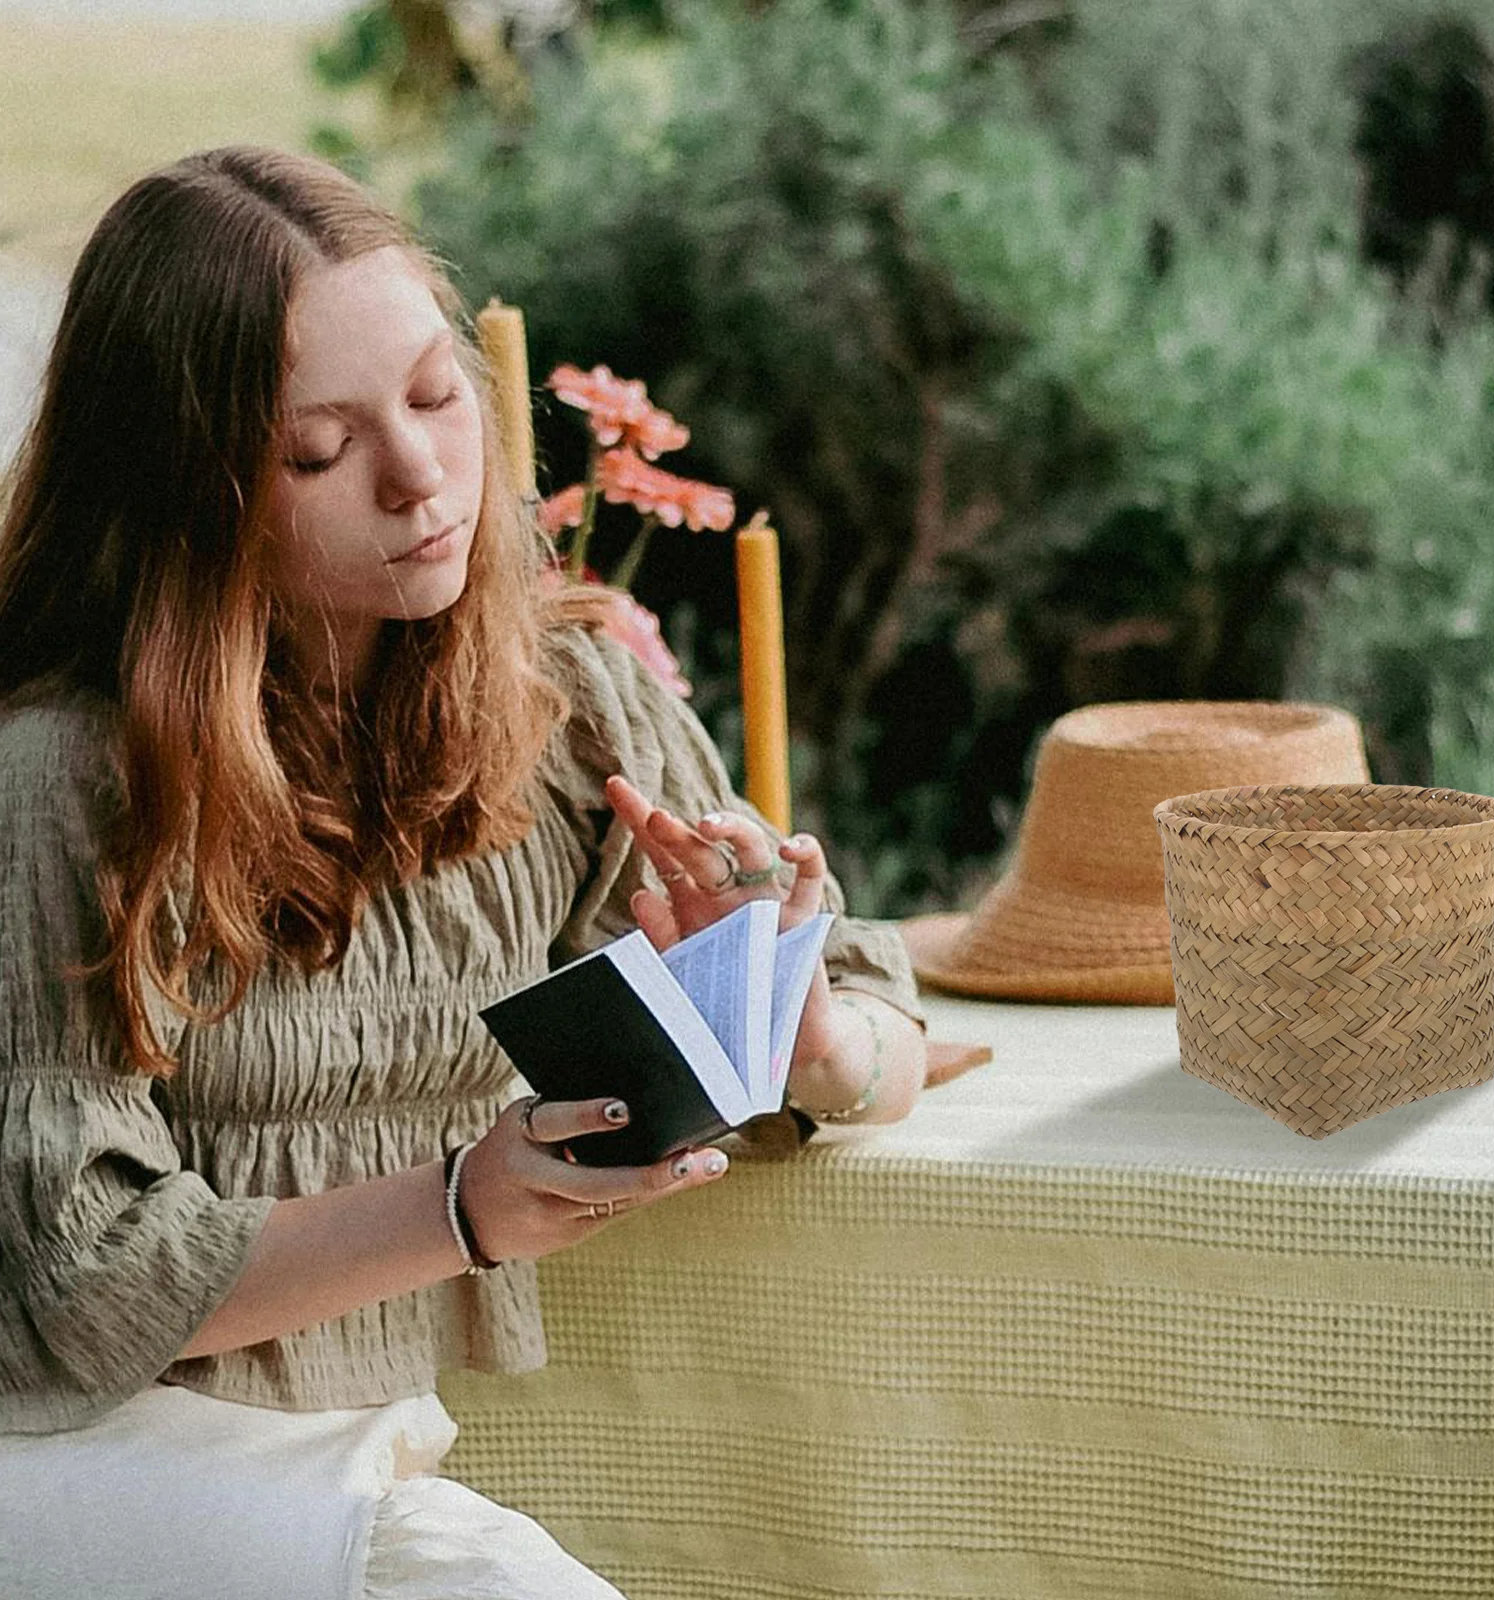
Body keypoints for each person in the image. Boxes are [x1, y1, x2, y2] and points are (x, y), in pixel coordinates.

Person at [0, 145, 926, 1599]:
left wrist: (791, 1023)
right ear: (187, 490)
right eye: (319, 449)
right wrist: (459, 1207)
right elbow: (81, 1278)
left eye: (438, 397)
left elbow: (875, 1025)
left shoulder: (561, 698)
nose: (420, 476)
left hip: (360, 1461)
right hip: (92, 1465)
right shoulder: (59, 776)